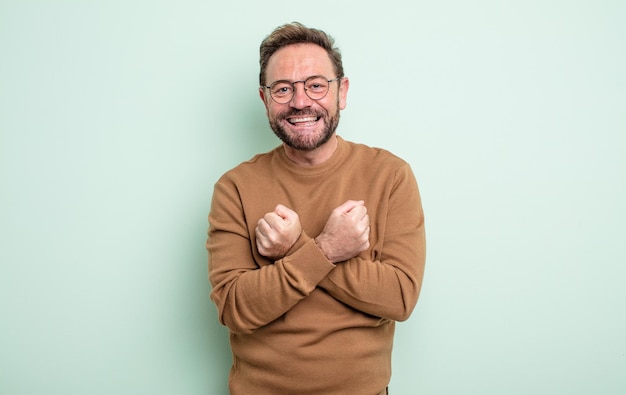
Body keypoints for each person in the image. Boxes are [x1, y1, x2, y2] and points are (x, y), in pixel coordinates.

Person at [207, 22, 426, 395]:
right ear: (264, 101)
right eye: (283, 89)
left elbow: (399, 298)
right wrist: (326, 249)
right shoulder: (235, 188)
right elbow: (234, 309)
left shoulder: (390, 175)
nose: (300, 101)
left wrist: (293, 248)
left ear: (342, 91)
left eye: (316, 85)